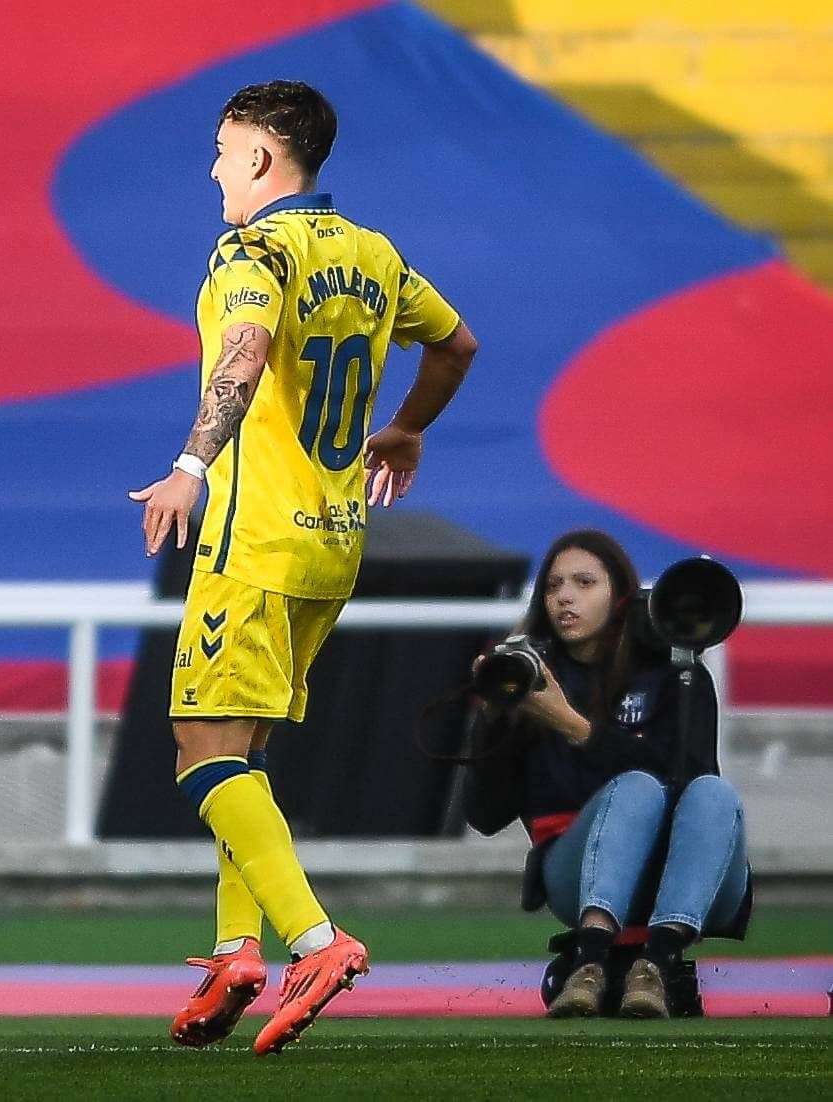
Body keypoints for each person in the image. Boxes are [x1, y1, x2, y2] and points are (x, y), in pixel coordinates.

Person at [130, 80, 478, 1053]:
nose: (211, 169)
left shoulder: (254, 251)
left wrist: (189, 468)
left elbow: (241, 354)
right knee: (244, 750)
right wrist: (404, 429)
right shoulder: (373, 255)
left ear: (258, 160)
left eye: (221, 149)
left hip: (255, 540)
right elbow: (457, 344)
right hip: (332, 543)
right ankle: (235, 948)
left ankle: (315, 940)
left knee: (201, 753)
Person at [461, 529, 750, 1019]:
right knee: (635, 786)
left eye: (584, 582)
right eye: (552, 586)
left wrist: (576, 729)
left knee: (713, 793)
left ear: (621, 594)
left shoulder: (674, 673)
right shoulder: (532, 676)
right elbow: (485, 816)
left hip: (684, 881)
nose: (564, 597)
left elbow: (685, 785)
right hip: (573, 871)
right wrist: (492, 720)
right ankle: (591, 963)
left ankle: (655, 963)